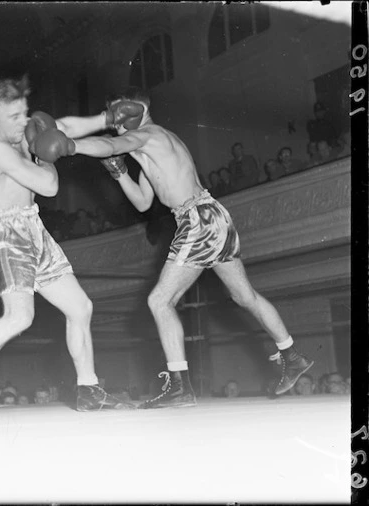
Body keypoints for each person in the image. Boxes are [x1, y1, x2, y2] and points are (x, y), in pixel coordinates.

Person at [59, 87, 313, 408]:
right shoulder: (148, 146)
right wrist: (120, 174)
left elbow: (110, 144)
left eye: (116, 115)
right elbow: (143, 201)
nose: (113, 122)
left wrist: (70, 146)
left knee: (159, 301)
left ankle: (180, 386)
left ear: (133, 111)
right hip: (211, 215)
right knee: (242, 295)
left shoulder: (150, 135)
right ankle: (291, 354)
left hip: (197, 218)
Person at [0, 75, 133, 419]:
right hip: (5, 236)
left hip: (32, 227)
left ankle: (88, 389)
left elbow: (60, 126)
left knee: (80, 307)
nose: (22, 122)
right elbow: (49, 185)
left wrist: (106, 120)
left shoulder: (15, 132)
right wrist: (46, 154)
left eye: (24, 114)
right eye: (14, 117)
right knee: (19, 316)